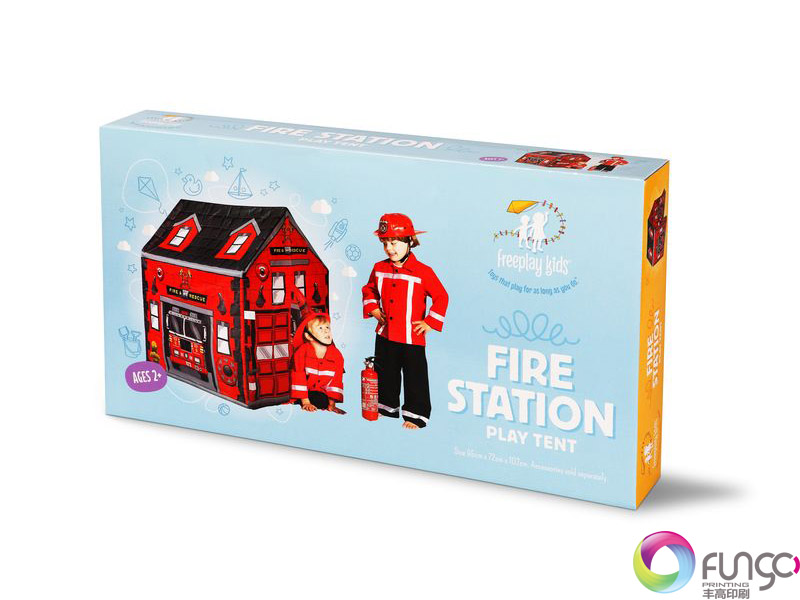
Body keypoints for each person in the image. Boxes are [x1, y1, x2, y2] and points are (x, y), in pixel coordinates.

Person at [362, 213, 449, 429]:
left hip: (412, 336)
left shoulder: (423, 272)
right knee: (385, 372)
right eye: (385, 243)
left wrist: (430, 322)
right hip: (385, 333)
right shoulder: (379, 268)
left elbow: (441, 297)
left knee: (415, 377)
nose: (389, 249)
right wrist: (373, 309)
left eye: (394, 243)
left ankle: (416, 414)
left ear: (409, 241)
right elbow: (369, 289)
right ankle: (386, 406)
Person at [290, 311, 346, 414]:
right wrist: (305, 402)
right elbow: (298, 376)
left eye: (327, 327)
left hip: (320, 393)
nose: (326, 331)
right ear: (309, 336)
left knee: (321, 402)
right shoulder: (301, 352)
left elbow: (336, 380)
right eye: (320, 328)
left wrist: (332, 405)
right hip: (303, 393)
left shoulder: (337, 355)